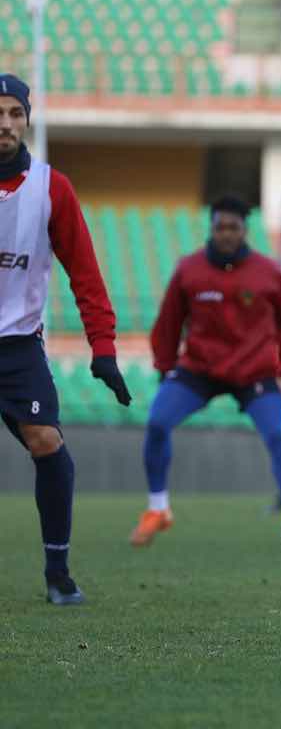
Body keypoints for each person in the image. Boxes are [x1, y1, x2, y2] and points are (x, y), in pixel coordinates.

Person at [0, 73, 131, 605]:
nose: (4, 124)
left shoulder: (52, 188)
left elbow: (85, 273)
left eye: (13, 113)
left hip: (17, 347)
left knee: (49, 445)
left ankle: (58, 573)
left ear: (27, 119)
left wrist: (103, 349)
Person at [131, 196, 281, 552]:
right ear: (210, 229)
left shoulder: (269, 273)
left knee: (278, 435)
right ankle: (157, 509)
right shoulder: (189, 270)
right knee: (156, 422)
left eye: (233, 228)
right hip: (199, 369)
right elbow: (168, 324)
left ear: (245, 231)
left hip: (254, 372)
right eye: (220, 227)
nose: (226, 234)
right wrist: (165, 367)